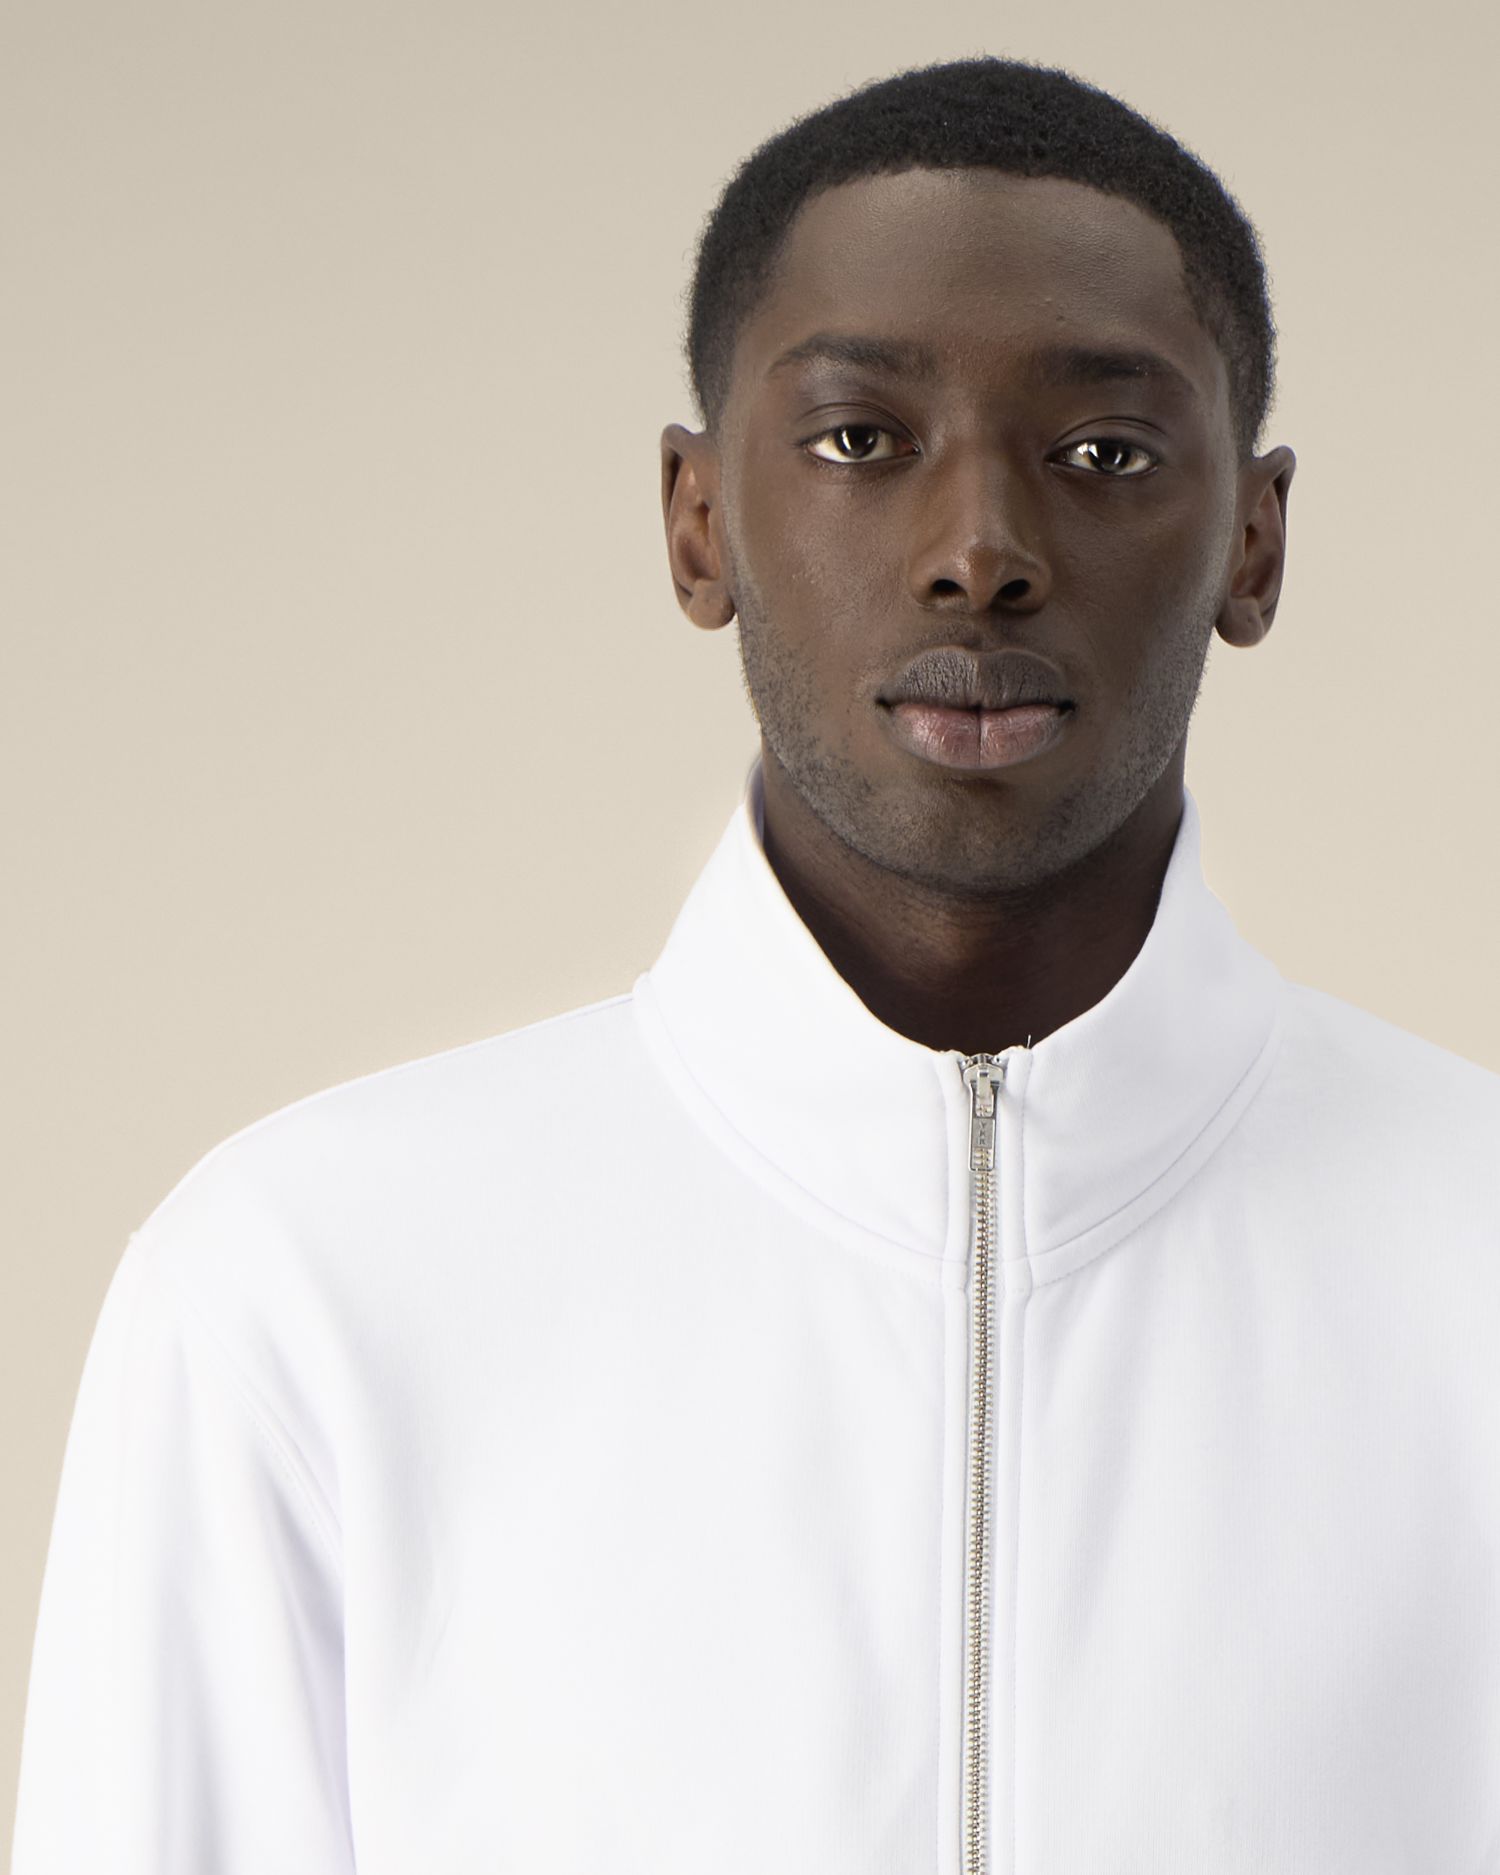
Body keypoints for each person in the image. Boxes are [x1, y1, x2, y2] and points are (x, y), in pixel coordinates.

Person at [12, 54, 1500, 1875]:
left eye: (1103, 453)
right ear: (698, 519)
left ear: (1252, 542)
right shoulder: (302, 1291)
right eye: (862, 440)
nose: (980, 554)